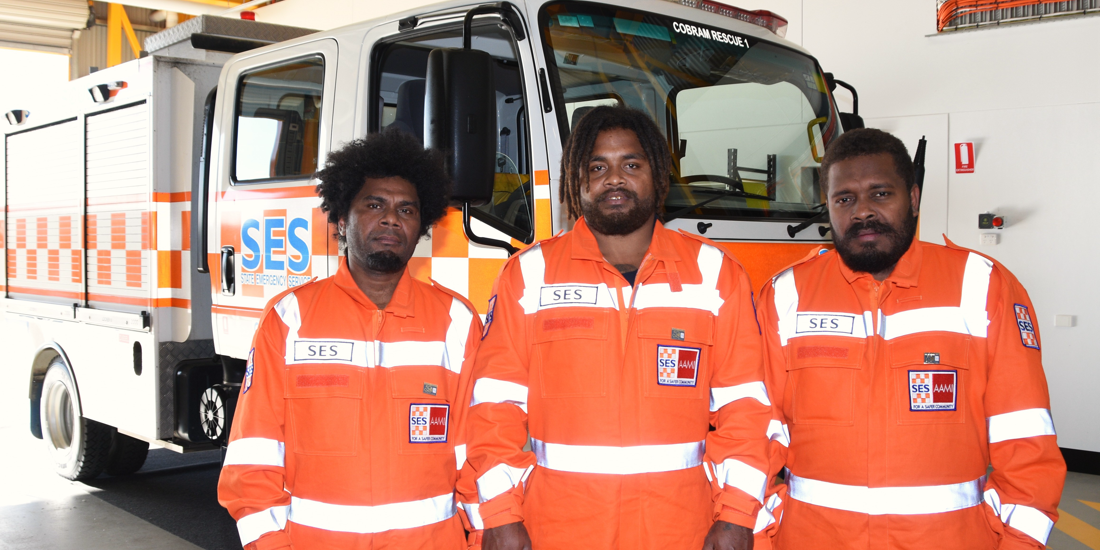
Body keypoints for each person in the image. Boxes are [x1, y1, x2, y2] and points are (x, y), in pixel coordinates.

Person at [461, 105, 770, 550]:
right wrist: (500, 515)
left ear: (659, 175)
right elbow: (493, 410)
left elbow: (747, 411)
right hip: (559, 530)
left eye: (631, 164)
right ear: (576, 180)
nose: (614, 179)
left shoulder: (716, 274)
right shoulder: (528, 276)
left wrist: (738, 515)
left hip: (682, 530)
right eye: (597, 167)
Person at [754, 128, 1066, 550]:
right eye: (844, 199)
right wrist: (763, 533)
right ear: (827, 207)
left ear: (914, 198)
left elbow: (1026, 444)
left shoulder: (982, 286)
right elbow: (753, 435)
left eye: (880, 194)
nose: (862, 212)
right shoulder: (785, 295)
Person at [218, 129, 483, 550]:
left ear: (423, 226)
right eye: (374, 204)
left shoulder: (457, 322)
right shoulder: (290, 321)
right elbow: (253, 460)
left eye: (407, 209)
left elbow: (479, 453)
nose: (391, 218)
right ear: (342, 219)